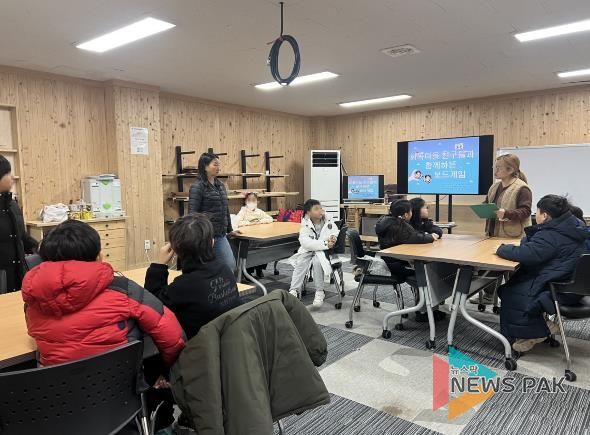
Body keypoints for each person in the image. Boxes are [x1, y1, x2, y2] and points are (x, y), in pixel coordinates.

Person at [21, 219, 185, 367]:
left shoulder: (34, 299)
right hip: (121, 384)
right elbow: (171, 334)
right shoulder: (123, 289)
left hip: (58, 388)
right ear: (98, 256)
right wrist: (169, 370)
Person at [496, 195, 588, 352]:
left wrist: (501, 248)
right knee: (517, 285)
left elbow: (527, 254)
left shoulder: (551, 234)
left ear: (545, 215)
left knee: (512, 290)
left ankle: (534, 332)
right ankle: (535, 328)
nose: (535, 214)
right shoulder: (574, 227)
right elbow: (536, 249)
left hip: (558, 289)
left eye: (536, 211)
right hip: (575, 287)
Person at [144, 213, 241, 340]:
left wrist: (159, 265)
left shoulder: (184, 286)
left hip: (199, 348)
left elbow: (152, 304)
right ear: (212, 242)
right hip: (229, 342)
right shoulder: (225, 270)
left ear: (175, 249)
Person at [474, 154, 533, 306]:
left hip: (513, 237)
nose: (495, 170)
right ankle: (489, 295)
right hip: (492, 234)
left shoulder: (522, 188)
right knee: (489, 266)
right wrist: (482, 208)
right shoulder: (494, 186)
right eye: (495, 167)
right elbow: (487, 203)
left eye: (498, 167)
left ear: (510, 170)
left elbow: (526, 211)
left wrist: (506, 213)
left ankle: (515, 300)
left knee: (513, 271)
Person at [376, 199, 445, 322]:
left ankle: (428, 308)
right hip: (397, 264)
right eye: (425, 207)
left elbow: (424, 233)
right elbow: (415, 237)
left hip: (397, 260)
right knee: (429, 273)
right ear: (407, 214)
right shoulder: (398, 226)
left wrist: (429, 230)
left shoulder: (392, 222)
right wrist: (430, 237)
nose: (427, 209)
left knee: (431, 269)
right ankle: (423, 311)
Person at [188, 152, 240, 273]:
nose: (218, 168)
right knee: (206, 268)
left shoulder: (220, 185)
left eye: (219, 165)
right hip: (205, 236)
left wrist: (229, 229)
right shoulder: (197, 186)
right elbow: (192, 214)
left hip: (220, 234)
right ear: (205, 167)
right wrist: (198, 235)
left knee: (230, 265)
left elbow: (225, 208)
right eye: (215, 164)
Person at [288, 199, 339, 307]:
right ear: (308, 212)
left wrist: (333, 238)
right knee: (301, 261)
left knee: (317, 261)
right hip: (310, 250)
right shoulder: (305, 224)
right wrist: (325, 243)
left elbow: (335, 231)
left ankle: (320, 291)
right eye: (316, 209)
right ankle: (294, 290)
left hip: (324, 251)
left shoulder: (328, 220)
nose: (320, 211)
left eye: (320, 208)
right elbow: (306, 243)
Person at [0, 155, 38, 292]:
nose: (12, 177)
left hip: (19, 276)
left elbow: (21, 237)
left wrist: (42, 247)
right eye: (8, 173)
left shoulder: (12, 204)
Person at [235, 192, 274, 278]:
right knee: (250, 253)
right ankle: (248, 271)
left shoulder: (259, 211)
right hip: (248, 237)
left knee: (263, 249)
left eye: (253, 200)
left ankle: (259, 268)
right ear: (245, 201)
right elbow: (237, 222)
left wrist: (260, 221)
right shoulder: (243, 211)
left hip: (258, 235)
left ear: (257, 202)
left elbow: (270, 218)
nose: (251, 202)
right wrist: (249, 223)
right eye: (249, 200)